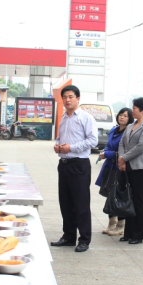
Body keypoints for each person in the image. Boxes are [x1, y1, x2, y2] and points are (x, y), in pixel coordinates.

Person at [50, 85, 98, 253]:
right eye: (64, 97)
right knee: (66, 203)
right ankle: (69, 236)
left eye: (70, 97)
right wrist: (57, 145)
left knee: (81, 203)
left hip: (79, 165)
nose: (67, 100)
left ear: (78, 98)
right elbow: (61, 137)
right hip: (64, 164)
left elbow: (93, 140)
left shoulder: (86, 117)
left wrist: (71, 148)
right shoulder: (64, 117)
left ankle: (84, 239)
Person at [118, 97, 143, 244]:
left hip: (141, 168)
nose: (132, 110)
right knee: (129, 199)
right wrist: (121, 159)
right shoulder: (130, 126)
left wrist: (124, 158)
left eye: (134, 108)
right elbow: (122, 143)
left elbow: (141, 147)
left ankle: (139, 234)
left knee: (139, 201)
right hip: (127, 167)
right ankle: (128, 232)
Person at [95, 107, 134, 236]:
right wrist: (104, 152)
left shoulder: (128, 133)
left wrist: (108, 154)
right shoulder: (113, 130)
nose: (122, 117)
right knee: (109, 194)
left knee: (119, 195)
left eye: (125, 116)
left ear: (130, 118)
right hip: (109, 166)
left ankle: (120, 225)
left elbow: (125, 152)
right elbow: (108, 145)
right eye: (121, 115)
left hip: (120, 167)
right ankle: (111, 223)